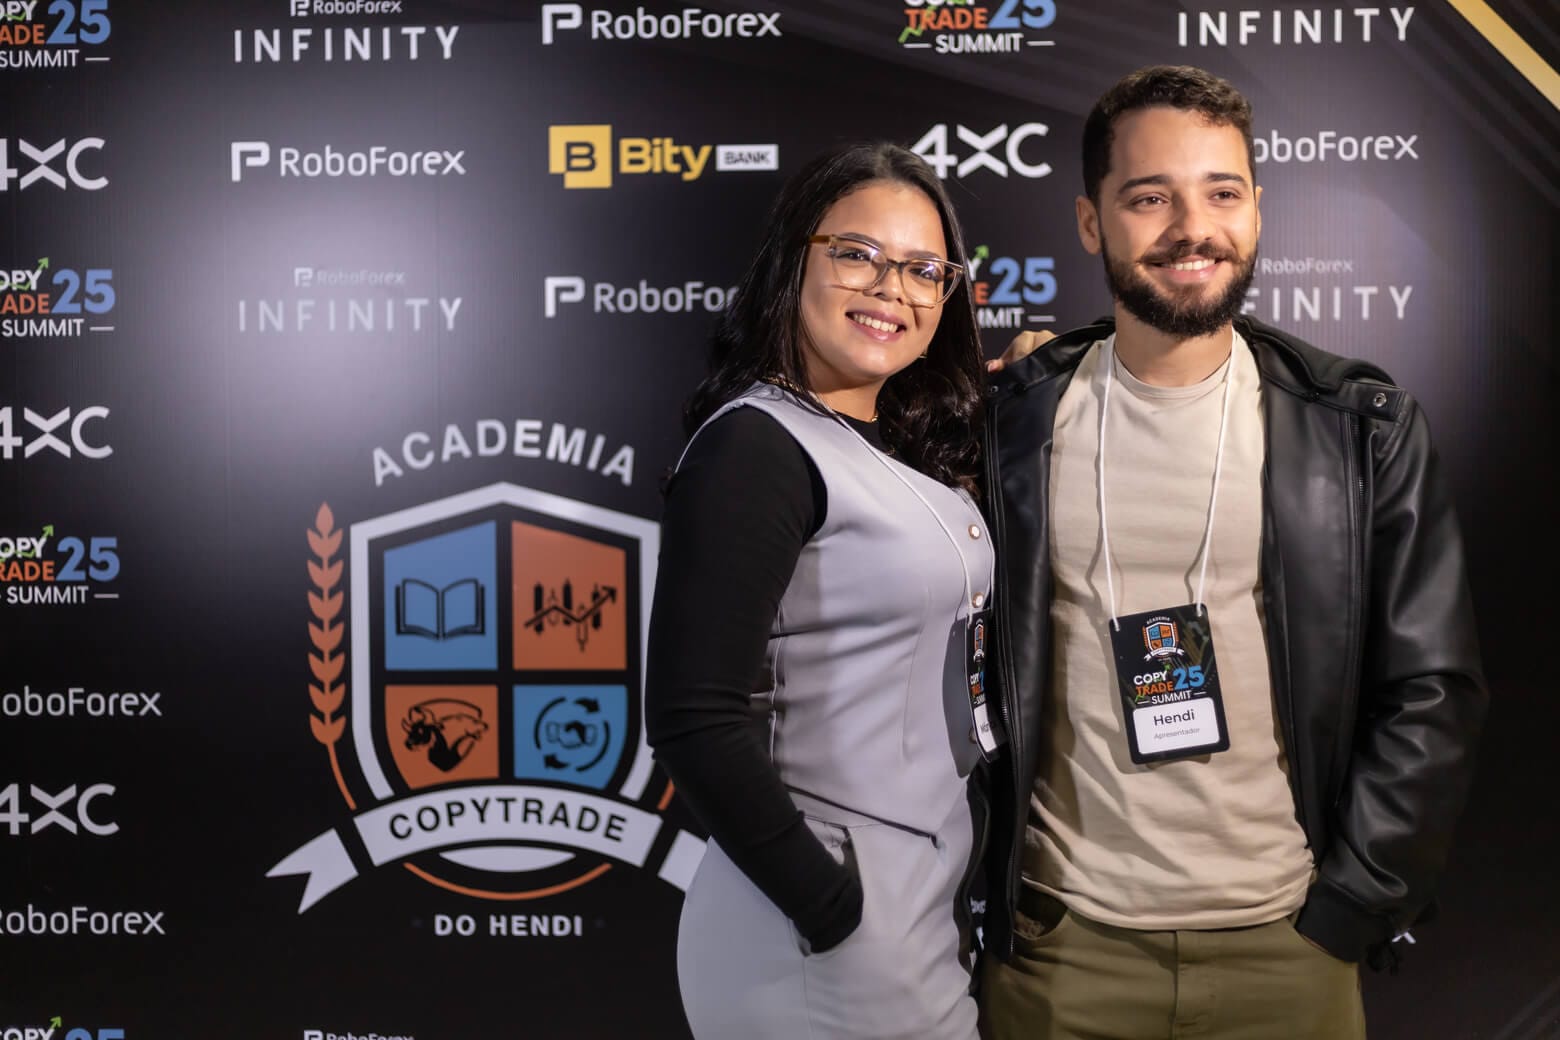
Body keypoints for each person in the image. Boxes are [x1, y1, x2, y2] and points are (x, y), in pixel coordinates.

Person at [978, 65, 1487, 1039]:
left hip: (1287, 948)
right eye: (1149, 197)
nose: (1192, 227)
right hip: (1062, 951)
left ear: (1256, 209)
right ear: (1090, 221)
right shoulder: (1012, 420)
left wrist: (1353, 903)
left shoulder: (1359, 427)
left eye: (1220, 193)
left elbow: (1433, 689)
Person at [645, 141, 994, 1039]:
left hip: (916, 910)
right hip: (820, 933)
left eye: (923, 270)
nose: (891, 289)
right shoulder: (755, 446)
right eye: (856, 254)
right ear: (793, 259)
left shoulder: (893, 444)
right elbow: (692, 717)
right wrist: (830, 907)